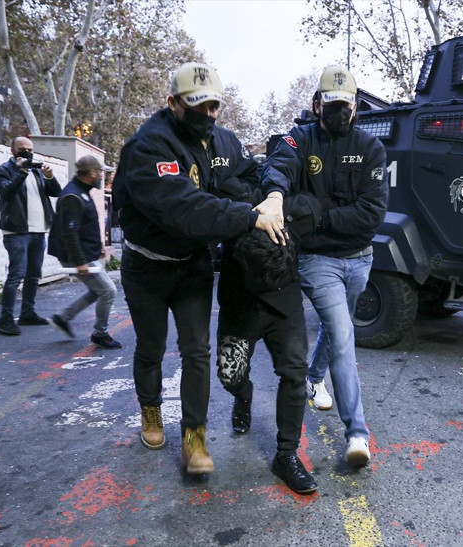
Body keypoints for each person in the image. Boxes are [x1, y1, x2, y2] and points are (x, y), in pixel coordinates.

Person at [112, 62, 285, 475]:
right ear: (172, 103)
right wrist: (247, 215)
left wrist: (271, 194)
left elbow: (252, 174)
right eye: (198, 105)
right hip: (146, 268)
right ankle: (151, 411)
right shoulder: (148, 146)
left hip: (192, 265)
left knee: (197, 351)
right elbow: (183, 209)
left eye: (214, 106)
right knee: (151, 347)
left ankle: (195, 437)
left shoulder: (222, 140)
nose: (209, 114)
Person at [259, 66, 389, 467]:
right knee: (343, 335)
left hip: (359, 259)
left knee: (338, 330)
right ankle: (358, 434)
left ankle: (315, 379)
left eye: (344, 105)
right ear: (317, 104)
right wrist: (278, 196)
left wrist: (316, 214)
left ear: (355, 107)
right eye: (330, 103)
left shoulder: (371, 148)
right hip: (317, 261)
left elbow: (372, 213)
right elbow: (278, 166)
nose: (337, 110)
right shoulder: (300, 138)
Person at [216, 188, 322, 495]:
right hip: (240, 304)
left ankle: (286, 454)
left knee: (294, 373)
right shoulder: (229, 219)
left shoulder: (299, 213)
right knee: (229, 376)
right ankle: (243, 394)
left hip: (283, 303)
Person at [48, 155, 122, 350]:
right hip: (76, 256)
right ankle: (100, 333)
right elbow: (69, 233)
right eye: (100, 172)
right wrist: (80, 262)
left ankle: (63, 318)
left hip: (83, 254)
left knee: (97, 291)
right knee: (108, 291)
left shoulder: (81, 191)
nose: (101, 176)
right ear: (91, 173)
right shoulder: (73, 196)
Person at [0, 136, 62, 336]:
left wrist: (49, 176)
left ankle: (28, 314)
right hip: (16, 230)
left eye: (30, 149)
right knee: (16, 275)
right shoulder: (3, 171)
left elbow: (56, 192)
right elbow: (6, 193)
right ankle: (5, 320)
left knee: (34, 275)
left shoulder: (36, 171)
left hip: (39, 230)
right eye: (22, 149)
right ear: (12, 150)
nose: (27, 152)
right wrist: (21, 172)